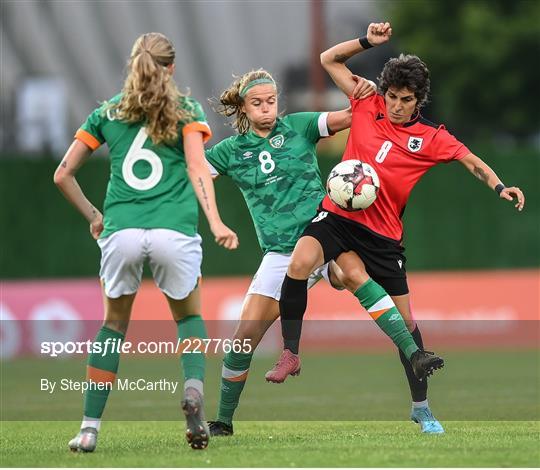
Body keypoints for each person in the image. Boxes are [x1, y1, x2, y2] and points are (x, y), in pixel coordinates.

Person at [268, 22, 525, 434]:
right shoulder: (366, 101)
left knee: (406, 326)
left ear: (418, 101)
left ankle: (421, 408)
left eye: (406, 100)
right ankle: (291, 353)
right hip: (337, 216)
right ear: (383, 91)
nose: (397, 105)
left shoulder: (432, 138)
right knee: (298, 263)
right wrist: (368, 42)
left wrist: (500, 186)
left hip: (383, 237)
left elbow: (472, 161)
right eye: (392, 96)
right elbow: (328, 59)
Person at [53, 32, 238, 452]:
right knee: (189, 320)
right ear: (171, 68)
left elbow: (62, 174)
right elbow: (197, 167)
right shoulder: (186, 110)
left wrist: (95, 216)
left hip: (121, 231)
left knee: (113, 325)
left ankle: (88, 429)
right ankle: (193, 393)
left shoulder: (107, 112)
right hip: (175, 231)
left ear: (133, 64)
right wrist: (215, 221)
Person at [203, 69, 378, 436]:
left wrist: (361, 92)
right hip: (281, 255)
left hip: (323, 238)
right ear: (243, 108)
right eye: (257, 103)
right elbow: (195, 173)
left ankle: (411, 351)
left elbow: (351, 116)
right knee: (242, 340)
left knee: (353, 273)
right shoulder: (230, 152)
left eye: (271, 101)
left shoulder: (300, 126)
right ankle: (223, 421)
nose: (266, 109)